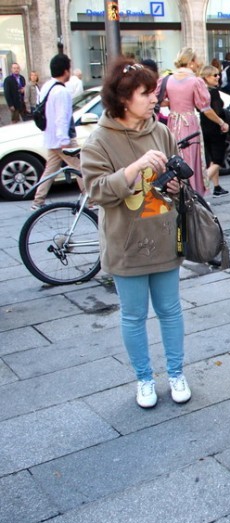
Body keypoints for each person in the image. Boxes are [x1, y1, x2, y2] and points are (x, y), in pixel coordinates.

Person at [81, 57, 190, 409]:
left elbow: (177, 183)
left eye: (154, 92)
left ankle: (176, 373)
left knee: (170, 310)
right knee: (133, 315)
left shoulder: (161, 130)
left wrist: (174, 186)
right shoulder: (99, 140)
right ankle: (144, 379)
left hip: (163, 236)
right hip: (125, 243)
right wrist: (136, 167)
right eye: (147, 93)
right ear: (124, 98)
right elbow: (96, 190)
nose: (154, 98)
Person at [160, 47, 229, 196]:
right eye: (196, 60)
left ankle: (177, 191)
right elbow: (204, 107)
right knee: (191, 158)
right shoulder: (195, 81)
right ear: (191, 62)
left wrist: (173, 103)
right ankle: (192, 193)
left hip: (173, 122)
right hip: (189, 122)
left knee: (175, 155)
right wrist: (221, 122)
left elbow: (160, 101)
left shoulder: (168, 79)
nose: (198, 63)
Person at [31, 54, 84, 210]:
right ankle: (92, 199)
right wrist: (64, 140)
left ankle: (38, 201)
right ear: (66, 71)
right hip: (61, 138)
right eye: (69, 68)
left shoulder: (47, 86)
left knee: (51, 169)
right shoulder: (61, 91)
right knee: (81, 167)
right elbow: (62, 117)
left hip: (51, 136)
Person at [199, 65, 230, 197]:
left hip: (204, 128)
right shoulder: (213, 92)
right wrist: (222, 122)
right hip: (215, 129)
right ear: (206, 77)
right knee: (218, 160)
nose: (218, 77)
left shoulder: (202, 91)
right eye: (214, 75)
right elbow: (216, 111)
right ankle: (200, 186)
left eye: (218, 74)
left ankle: (217, 187)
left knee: (212, 158)